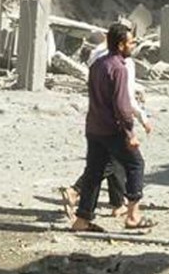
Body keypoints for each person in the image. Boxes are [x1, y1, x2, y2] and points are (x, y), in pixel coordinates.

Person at [61, 30, 152, 219]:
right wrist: (130, 132)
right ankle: (133, 215)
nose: (134, 46)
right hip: (113, 129)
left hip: (94, 126)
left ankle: (83, 218)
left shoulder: (97, 64)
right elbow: (122, 104)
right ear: (120, 45)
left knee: (95, 171)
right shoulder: (120, 68)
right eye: (131, 42)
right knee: (136, 164)